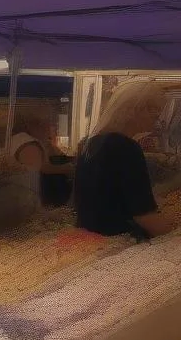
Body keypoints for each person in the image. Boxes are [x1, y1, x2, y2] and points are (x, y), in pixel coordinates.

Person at [74, 79, 174, 239]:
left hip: (90, 237)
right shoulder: (125, 147)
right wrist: (173, 238)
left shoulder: (89, 142)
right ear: (132, 109)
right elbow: (144, 216)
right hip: (119, 239)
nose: (157, 117)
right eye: (152, 109)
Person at [9, 110, 74, 209]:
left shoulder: (20, 139)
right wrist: (66, 168)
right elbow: (42, 168)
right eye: (48, 125)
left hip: (24, 196)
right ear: (34, 125)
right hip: (29, 198)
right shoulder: (28, 143)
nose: (51, 129)